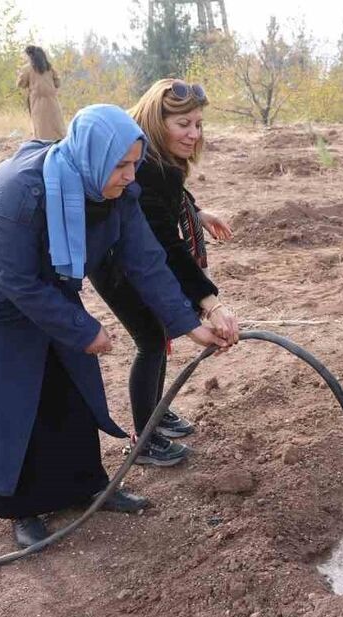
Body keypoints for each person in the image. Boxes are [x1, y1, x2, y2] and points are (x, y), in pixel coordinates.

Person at [0, 105, 228, 548]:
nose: (128, 175)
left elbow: (146, 261)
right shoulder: (12, 196)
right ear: (91, 157)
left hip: (44, 285)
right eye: (119, 165)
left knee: (69, 383)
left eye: (133, 164)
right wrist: (83, 329)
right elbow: (15, 280)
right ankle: (21, 510)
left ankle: (85, 488)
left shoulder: (115, 192)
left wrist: (188, 323)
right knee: (8, 398)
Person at [88, 79, 239, 467]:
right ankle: (146, 437)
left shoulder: (158, 160)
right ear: (158, 121)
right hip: (118, 266)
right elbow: (166, 248)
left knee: (157, 337)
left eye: (198, 124)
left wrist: (197, 213)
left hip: (135, 259)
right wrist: (210, 302)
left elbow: (170, 200)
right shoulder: (144, 167)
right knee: (151, 340)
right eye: (183, 124)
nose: (193, 134)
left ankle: (155, 412)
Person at [17, 45, 65, 141]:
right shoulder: (49, 68)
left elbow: (21, 84)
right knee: (56, 128)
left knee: (41, 129)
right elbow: (57, 83)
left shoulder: (27, 68)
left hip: (37, 103)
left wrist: (19, 74)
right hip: (52, 102)